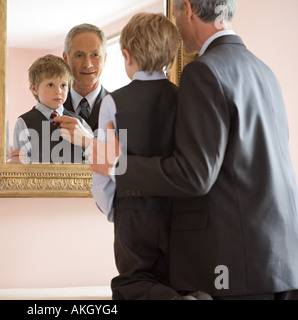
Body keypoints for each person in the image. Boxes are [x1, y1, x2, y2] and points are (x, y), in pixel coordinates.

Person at [89, 0, 298, 300]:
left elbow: (195, 174)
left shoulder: (204, 71)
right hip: (282, 261)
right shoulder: (264, 71)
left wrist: (117, 166)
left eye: (175, 15)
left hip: (235, 267)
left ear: (187, 9)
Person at [92, 13, 185, 300]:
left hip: (132, 212)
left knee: (131, 282)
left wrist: (113, 210)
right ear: (171, 54)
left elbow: (104, 170)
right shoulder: (184, 98)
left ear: (126, 54)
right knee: (175, 278)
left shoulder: (113, 102)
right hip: (178, 212)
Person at [11, 54, 85, 164]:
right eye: (50, 85)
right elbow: (20, 165)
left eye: (63, 85)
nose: (58, 91)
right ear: (34, 88)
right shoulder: (23, 123)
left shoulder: (78, 122)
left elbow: (89, 160)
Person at [55, 23, 109, 138]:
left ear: (104, 59)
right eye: (79, 55)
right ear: (66, 58)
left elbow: (123, 155)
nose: (88, 64)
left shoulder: (119, 107)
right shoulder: (50, 106)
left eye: (95, 55)